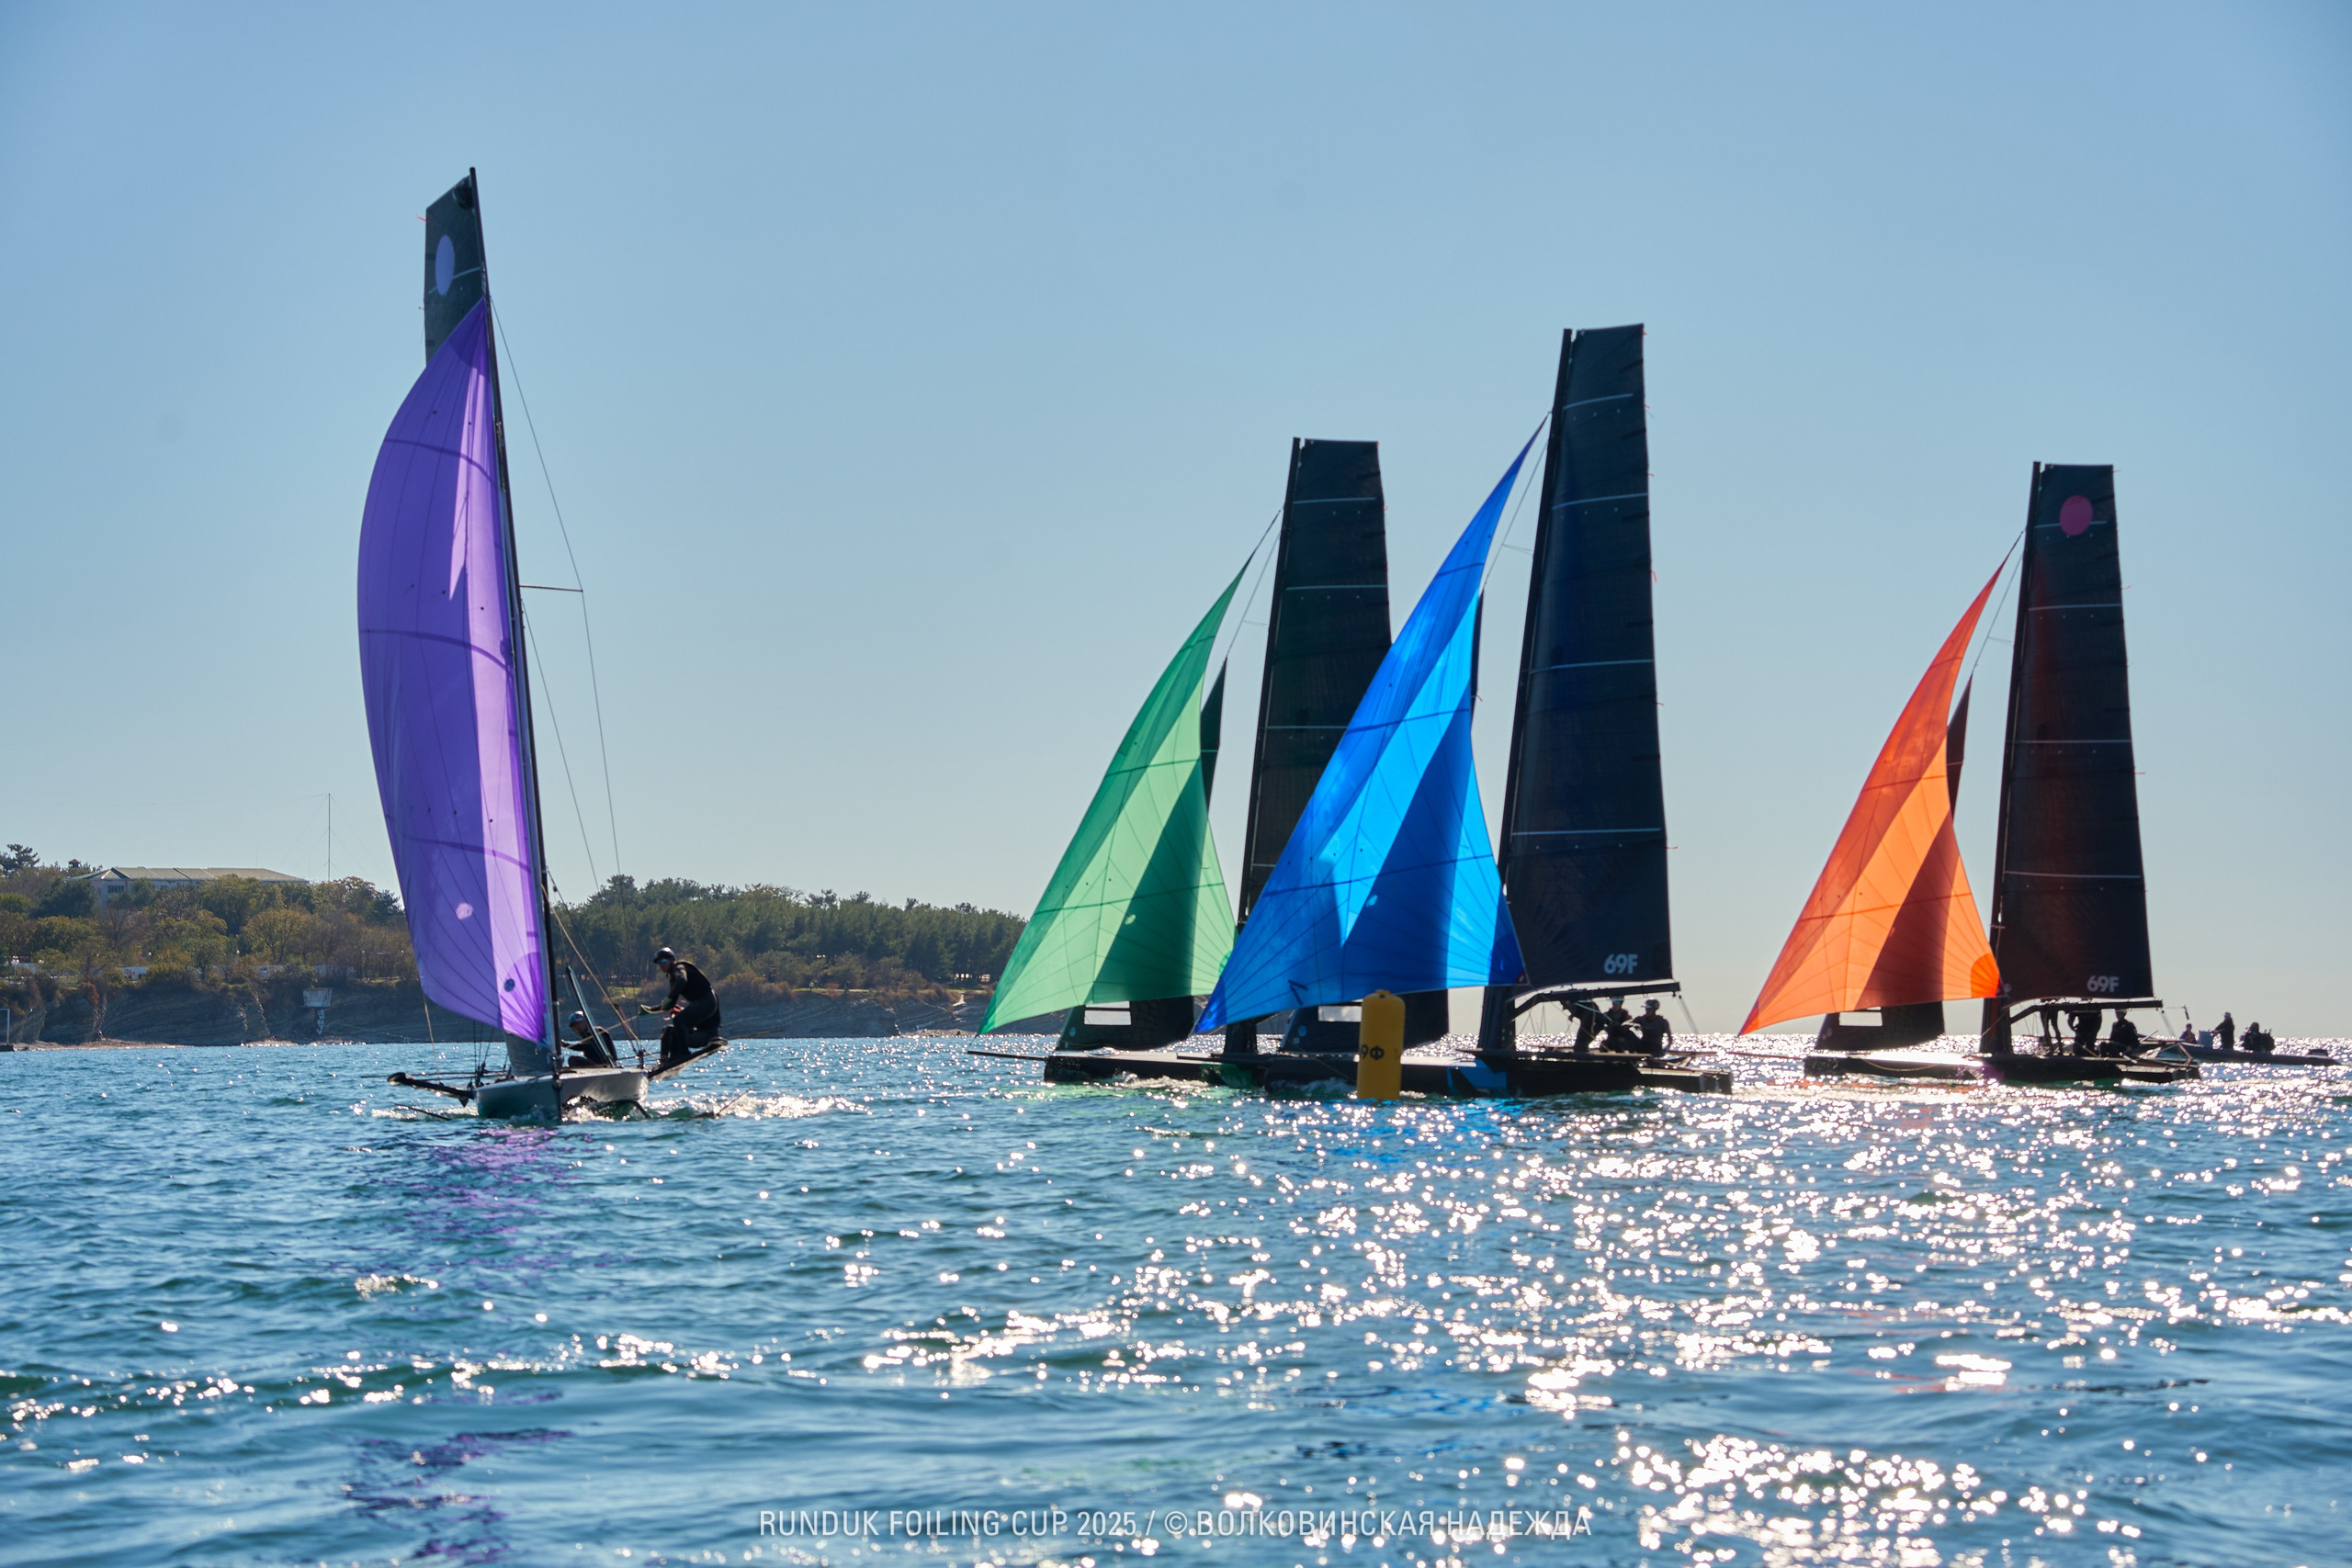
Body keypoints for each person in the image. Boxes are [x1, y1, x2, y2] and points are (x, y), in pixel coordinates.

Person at [642, 946, 722, 1067]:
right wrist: (650, 1010)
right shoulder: (673, 979)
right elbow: (671, 1003)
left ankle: (684, 1053)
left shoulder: (679, 968)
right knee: (670, 1030)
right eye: (659, 963)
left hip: (707, 1002)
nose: (661, 965)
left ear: (672, 959)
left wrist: (669, 996)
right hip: (701, 1005)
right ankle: (668, 1059)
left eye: (663, 961)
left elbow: (682, 981)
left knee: (679, 1020)